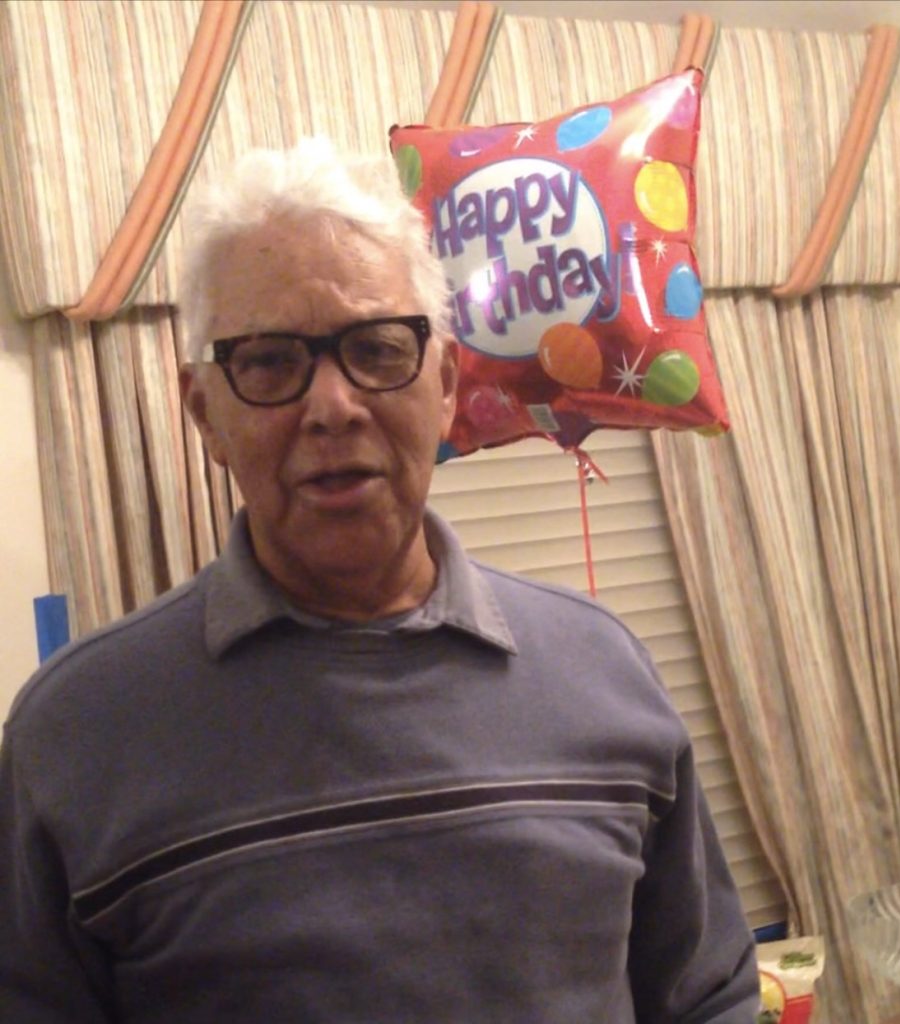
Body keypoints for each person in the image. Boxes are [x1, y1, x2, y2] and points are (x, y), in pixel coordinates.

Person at [0, 137, 759, 1023]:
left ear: (446, 385)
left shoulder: (605, 670)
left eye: (378, 347)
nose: (333, 406)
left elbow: (707, 994)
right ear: (205, 412)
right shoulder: (74, 735)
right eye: (271, 361)